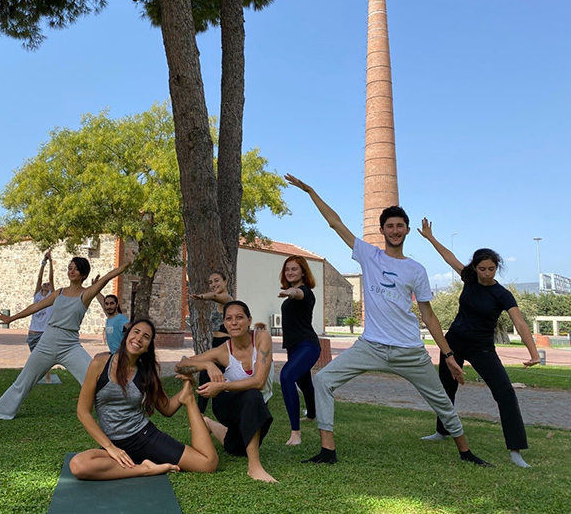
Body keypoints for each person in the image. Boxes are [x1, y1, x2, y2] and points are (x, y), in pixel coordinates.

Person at [285, 174, 491, 467]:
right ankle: (327, 451)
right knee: (323, 380)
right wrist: (310, 191)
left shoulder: (416, 270)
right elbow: (335, 223)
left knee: (442, 402)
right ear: (382, 230)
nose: (395, 230)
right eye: (390, 226)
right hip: (371, 346)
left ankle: (466, 452)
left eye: (399, 226)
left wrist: (448, 355)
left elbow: (429, 315)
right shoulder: (369, 256)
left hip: (410, 351)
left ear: (406, 230)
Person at [418, 219, 540, 467]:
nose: (486, 273)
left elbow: (520, 323)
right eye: (482, 268)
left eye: (491, 269)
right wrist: (430, 237)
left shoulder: (502, 294)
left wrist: (534, 352)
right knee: (447, 389)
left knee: (505, 392)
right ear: (475, 267)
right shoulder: (469, 278)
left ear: (497, 268)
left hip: (482, 348)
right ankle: (442, 431)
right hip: (453, 343)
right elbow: (449, 257)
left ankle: (515, 451)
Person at [0, 256, 132, 420]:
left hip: (70, 345)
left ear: (83, 274)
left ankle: (120, 408)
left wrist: (125, 265)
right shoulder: (59, 293)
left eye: (76, 268)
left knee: (94, 377)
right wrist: (11, 318)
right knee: (24, 380)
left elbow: (107, 277)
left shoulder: (87, 293)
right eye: (69, 267)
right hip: (47, 342)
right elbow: (36, 306)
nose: (71, 271)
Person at [69, 318, 218, 480]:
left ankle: (189, 400)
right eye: (136, 332)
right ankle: (145, 469)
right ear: (126, 337)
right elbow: (82, 412)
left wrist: (185, 396)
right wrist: (110, 447)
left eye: (146, 337)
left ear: (147, 348)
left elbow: (166, 409)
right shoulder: (100, 363)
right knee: (79, 465)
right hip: (113, 445)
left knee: (207, 464)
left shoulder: (146, 374)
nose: (139, 339)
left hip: (145, 437)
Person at [175, 301, 276, 482]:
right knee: (253, 396)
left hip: (254, 405)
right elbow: (181, 365)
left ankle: (209, 424)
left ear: (249, 320)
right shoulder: (222, 351)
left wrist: (221, 385)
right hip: (227, 404)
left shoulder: (262, 338)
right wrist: (207, 364)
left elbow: (259, 381)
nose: (234, 322)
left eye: (239, 317)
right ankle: (254, 467)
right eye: (229, 319)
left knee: (236, 448)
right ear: (225, 324)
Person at [277, 256, 321, 446]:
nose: (290, 273)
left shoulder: (306, 292)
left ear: (303, 271)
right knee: (304, 383)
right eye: (287, 270)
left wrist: (290, 292)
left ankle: (295, 433)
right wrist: (288, 292)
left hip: (308, 345)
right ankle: (312, 414)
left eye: (294, 269)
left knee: (286, 376)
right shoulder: (292, 291)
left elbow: (298, 293)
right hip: (294, 347)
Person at [191, 271, 233, 413]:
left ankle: (199, 413)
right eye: (211, 282)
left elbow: (215, 296)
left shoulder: (227, 299)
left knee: (205, 375)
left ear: (225, 282)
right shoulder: (219, 304)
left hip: (225, 344)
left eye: (216, 281)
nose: (213, 284)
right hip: (217, 344)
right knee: (211, 376)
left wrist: (202, 297)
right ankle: (204, 412)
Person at [29, 251, 55, 383]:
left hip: (45, 331)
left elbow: (51, 279)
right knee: (34, 356)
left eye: (47, 284)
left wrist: (51, 262)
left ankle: (47, 376)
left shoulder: (51, 296)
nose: (45, 284)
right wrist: (43, 263)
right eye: (44, 284)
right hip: (34, 331)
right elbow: (39, 279)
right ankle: (35, 375)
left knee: (46, 355)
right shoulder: (37, 296)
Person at [95, 289, 130, 354]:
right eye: (107, 304)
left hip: (121, 356)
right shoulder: (110, 317)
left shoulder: (121, 319)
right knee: (98, 356)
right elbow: (101, 301)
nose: (109, 306)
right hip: (113, 353)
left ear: (117, 305)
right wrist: (96, 288)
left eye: (112, 303)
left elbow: (130, 328)